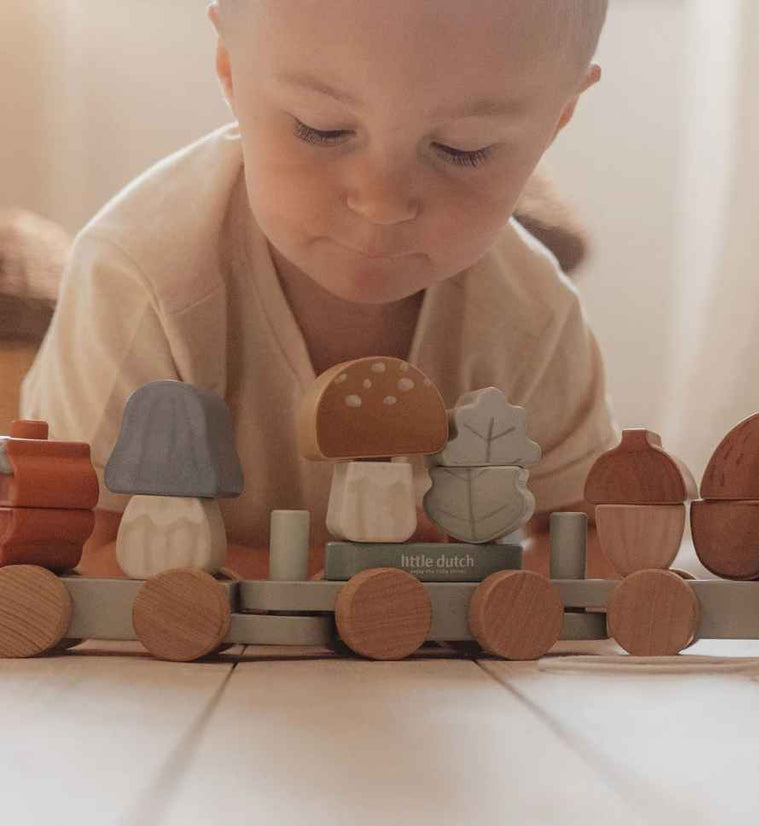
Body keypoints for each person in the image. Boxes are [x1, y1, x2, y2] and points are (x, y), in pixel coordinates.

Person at [20, 0, 618, 579]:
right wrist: (355, 590)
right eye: (321, 129)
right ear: (230, 69)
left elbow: (595, 536)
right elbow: (75, 547)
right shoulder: (140, 274)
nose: (382, 203)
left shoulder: (532, 313)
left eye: (463, 149)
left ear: (558, 119)